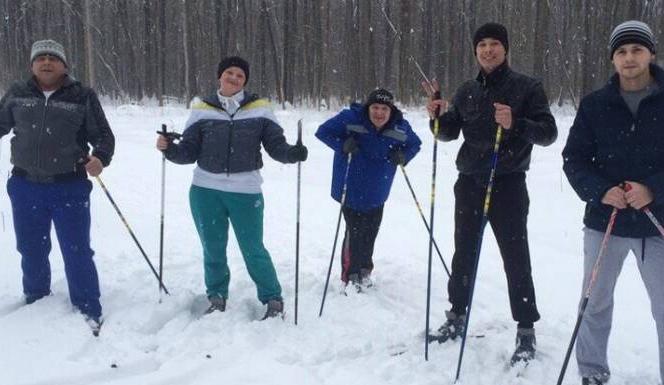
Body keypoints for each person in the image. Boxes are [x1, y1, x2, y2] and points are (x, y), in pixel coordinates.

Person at [562, 21, 664, 385]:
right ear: (613, 59)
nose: (629, 58)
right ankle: (592, 375)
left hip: (658, 222)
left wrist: (655, 189)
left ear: (651, 54)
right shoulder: (595, 104)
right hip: (605, 221)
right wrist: (600, 190)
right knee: (594, 302)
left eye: (637, 50)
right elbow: (574, 158)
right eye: (622, 52)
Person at [0, 39, 114, 334]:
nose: (47, 62)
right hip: (26, 185)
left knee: (76, 251)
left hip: (70, 185)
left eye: (53, 58)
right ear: (32, 65)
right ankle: (36, 302)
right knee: (31, 249)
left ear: (64, 65)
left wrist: (100, 158)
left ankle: (88, 307)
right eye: (41, 58)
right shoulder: (18, 93)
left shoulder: (82, 95)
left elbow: (103, 136)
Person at [422, 22, 558, 365]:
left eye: (494, 44)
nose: (487, 50)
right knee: (463, 252)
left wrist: (516, 123)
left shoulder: (527, 87)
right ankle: (457, 314)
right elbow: (449, 132)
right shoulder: (468, 90)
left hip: (508, 184)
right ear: (475, 50)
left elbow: (549, 133)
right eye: (481, 44)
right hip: (469, 182)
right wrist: (436, 116)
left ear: (506, 49)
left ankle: (525, 328)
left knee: (515, 256)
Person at [157, 56, 307, 319]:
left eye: (240, 75)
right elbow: (188, 152)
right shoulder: (202, 107)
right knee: (213, 247)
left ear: (245, 81)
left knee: (253, 248)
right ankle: (216, 295)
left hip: (245, 191)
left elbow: (276, 146)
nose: (234, 78)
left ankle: (272, 298)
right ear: (220, 77)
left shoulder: (260, 108)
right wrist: (169, 149)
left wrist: (291, 153)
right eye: (230, 73)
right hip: (205, 190)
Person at [315, 88, 422, 292]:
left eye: (384, 108)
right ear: (368, 107)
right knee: (355, 233)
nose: (379, 113)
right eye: (375, 107)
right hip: (351, 188)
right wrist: (342, 144)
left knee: (370, 233)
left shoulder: (400, 127)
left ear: (391, 111)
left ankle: (365, 270)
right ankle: (350, 273)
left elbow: (415, 145)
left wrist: (403, 156)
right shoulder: (351, 118)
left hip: (378, 191)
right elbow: (322, 132)